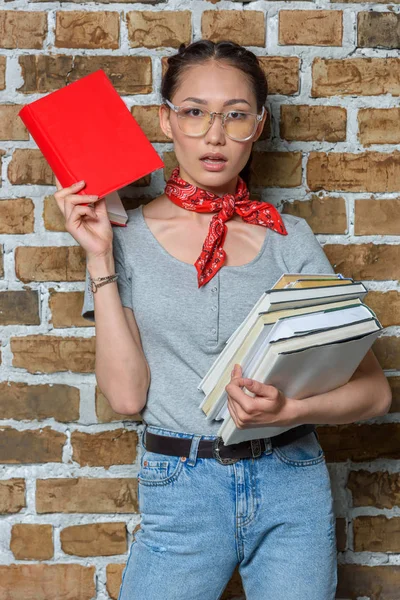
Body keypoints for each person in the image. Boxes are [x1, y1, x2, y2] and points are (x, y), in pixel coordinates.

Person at [54, 39, 391, 600]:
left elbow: (375, 393)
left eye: (235, 116)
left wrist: (291, 408)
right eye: (194, 112)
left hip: (291, 481)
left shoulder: (292, 241)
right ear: (166, 119)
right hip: (180, 486)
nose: (215, 135)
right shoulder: (123, 239)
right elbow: (126, 396)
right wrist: (99, 258)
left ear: (257, 126)